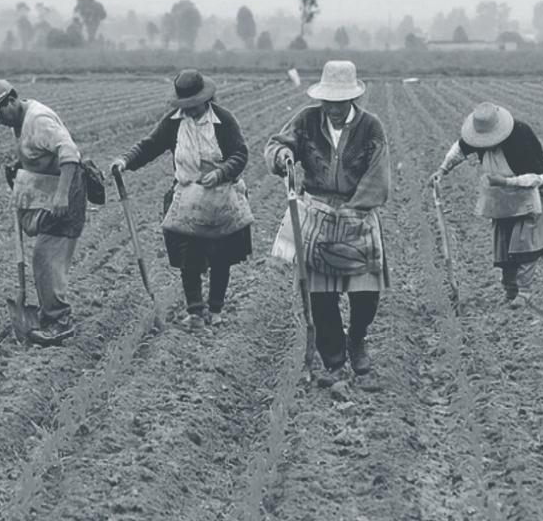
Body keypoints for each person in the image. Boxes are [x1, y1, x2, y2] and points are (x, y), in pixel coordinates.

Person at [265, 60, 390, 376]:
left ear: (353, 99)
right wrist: (283, 157)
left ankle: (357, 339)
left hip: (357, 214)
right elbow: (276, 145)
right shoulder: (307, 120)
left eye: (340, 102)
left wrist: (355, 209)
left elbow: (378, 176)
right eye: (328, 102)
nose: (333, 108)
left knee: (366, 293)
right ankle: (333, 359)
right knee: (321, 297)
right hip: (317, 211)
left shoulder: (371, 126)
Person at [111, 69, 252, 329]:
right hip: (188, 194)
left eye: (195, 105)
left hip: (221, 195)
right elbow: (149, 145)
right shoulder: (174, 122)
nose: (191, 110)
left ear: (205, 99)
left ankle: (216, 309)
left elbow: (240, 154)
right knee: (189, 253)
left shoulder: (223, 120)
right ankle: (196, 312)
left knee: (221, 254)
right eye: (186, 105)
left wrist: (222, 173)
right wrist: (126, 161)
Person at [0, 79, 87, 345]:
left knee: (45, 256)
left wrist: (62, 194)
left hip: (65, 195)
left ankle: (60, 321)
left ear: (11, 101)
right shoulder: (22, 121)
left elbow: (69, 152)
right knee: (44, 255)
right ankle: (48, 313)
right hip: (50, 194)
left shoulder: (38, 119)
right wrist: (21, 165)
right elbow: (42, 153)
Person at [430, 102, 543, 308]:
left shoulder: (520, 136)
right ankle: (510, 290)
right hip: (500, 195)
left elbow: (538, 176)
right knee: (503, 245)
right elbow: (459, 149)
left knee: (524, 243)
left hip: (530, 193)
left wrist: (505, 181)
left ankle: (524, 292)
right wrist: (442, 170)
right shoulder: (477, 137)